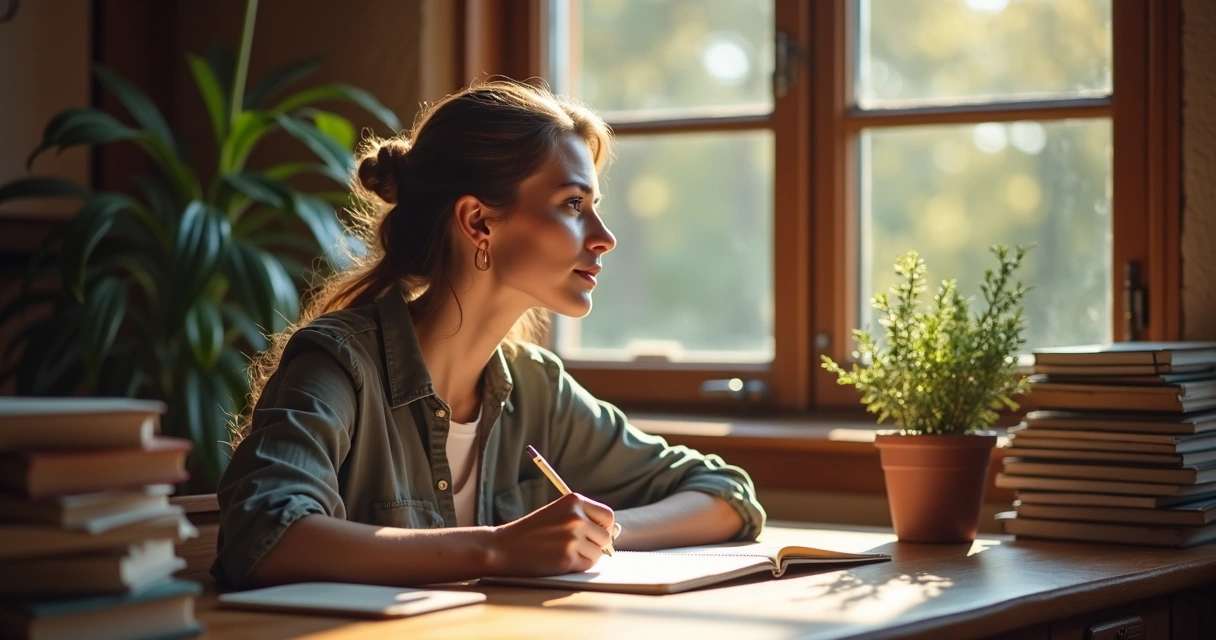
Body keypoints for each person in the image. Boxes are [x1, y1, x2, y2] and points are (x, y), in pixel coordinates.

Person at [211, 80, 766, 589]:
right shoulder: (339, 365)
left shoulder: (536, 387)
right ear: (479, 221)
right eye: (574, 205)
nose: (604, 238)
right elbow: (264, 535)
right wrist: (499, 549)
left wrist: (590, 534)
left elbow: (726, 495)